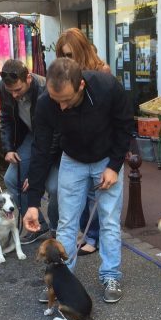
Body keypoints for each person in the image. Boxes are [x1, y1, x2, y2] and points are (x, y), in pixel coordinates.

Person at [23, 57, 132, 303]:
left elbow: (125, 126)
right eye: (55, 100)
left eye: (66, 100)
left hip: (106, 158)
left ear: (80, 85)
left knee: (109, 221)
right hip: (72, 159)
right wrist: (32, 203)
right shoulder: (45, 104)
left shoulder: (107, 87)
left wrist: (114, 165)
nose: (60, 107)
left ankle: (111, 275)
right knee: (66, 223)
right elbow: (40, 150)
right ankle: (62, 279)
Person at [55, 28, 112, 257]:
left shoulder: (101, 72)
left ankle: (93, 236)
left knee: (97, 199)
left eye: (70, 54)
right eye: (63, 55)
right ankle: (88, 235)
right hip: (75, 147)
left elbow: (113, 114)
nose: (67, 60)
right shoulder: (63, 75)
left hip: (100, 145)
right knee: (76, 202)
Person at [0, 58, 54, 244]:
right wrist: (8, 149)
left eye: (18, 90)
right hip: (30, 135)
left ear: (28, 78)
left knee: (54, 186)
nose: (14, 95)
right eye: (10, 91)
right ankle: (38, 224)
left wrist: (35, 175)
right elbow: (6, 118)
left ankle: (57, 230)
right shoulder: (2, 88)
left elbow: (52, 136)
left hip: (51, 139)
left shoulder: (46, 89)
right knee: (11, 179)